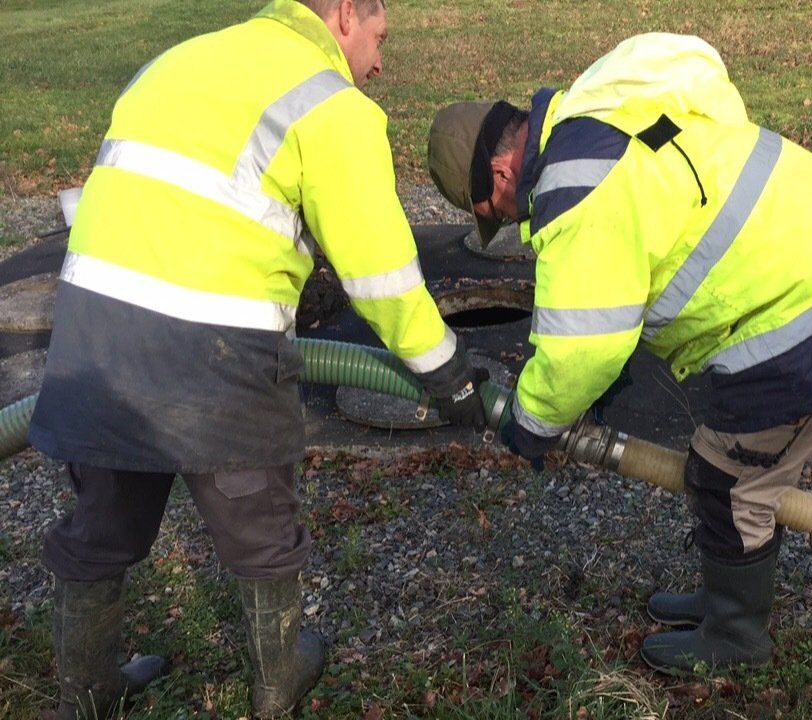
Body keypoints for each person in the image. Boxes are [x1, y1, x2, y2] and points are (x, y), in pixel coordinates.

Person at [28, 1, 489, 717]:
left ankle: (84, 695)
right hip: (216, 350)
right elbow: (382, 276)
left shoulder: (176, 62)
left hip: (94, 330)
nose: (379, 62)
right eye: (378, 37)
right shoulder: (328, 102)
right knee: (260, 529)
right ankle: (277, 685)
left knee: (103, 522)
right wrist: (448, 373)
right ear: (343, 13)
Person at [427, 33, 812, 674]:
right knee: (721, 465)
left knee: (729, 478)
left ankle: (736, 634)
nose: (509, 222)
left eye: (493, 212)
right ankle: (724, 596)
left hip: (809, 308)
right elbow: (696, 80)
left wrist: (529, 425)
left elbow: (578, 353)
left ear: (501, 174)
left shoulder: (573, 189)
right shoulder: (600, 106)